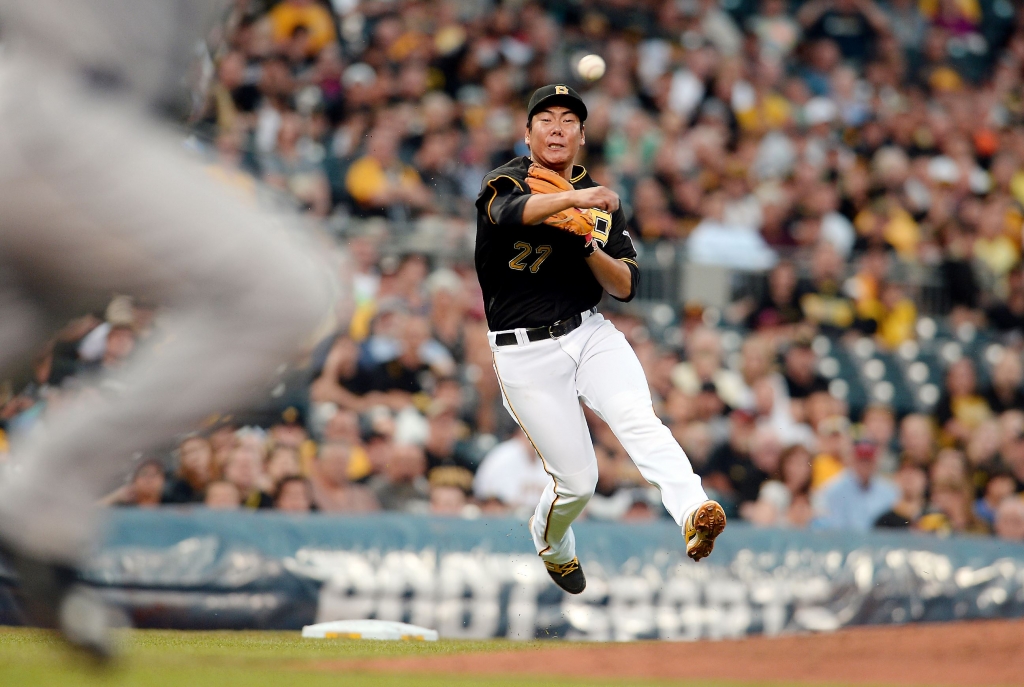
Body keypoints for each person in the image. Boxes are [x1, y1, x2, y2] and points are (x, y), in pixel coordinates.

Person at [0, 0, 334, 658]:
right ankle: (40, 501)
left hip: (75, 115)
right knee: (280, 294)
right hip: (51, 107)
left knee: (40, 304)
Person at [474, 84, 724, 594]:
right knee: (579, 484)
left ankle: (694, 510)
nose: (558, 127)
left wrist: (586, 239)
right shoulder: (507, 180)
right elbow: (505, 215)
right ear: (527, 134)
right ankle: (553, 543)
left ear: (583, 136)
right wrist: (571, 202)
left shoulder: (602, 204)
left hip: (588, 332)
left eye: (569, 120)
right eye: (546, 119)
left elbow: (625, 285)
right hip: (525, 353)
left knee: (637, 417)